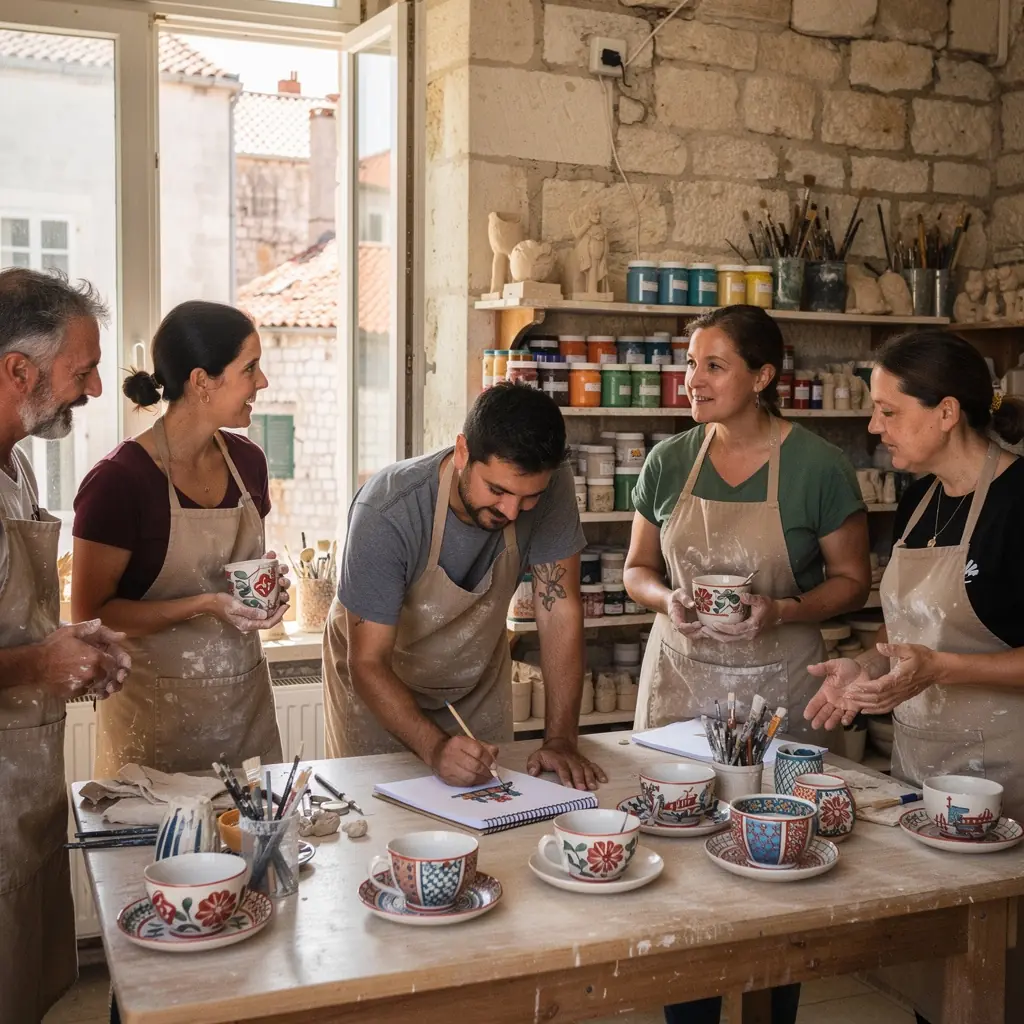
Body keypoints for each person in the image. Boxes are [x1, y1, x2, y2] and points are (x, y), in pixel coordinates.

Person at [623, 305, 871, 1024]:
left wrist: (783, 610)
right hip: (680, 684)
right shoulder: (670, 460)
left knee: (776, 862)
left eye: (713, 365)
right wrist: (668, 598)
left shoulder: (819, 466)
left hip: (781, 689)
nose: (691, 380)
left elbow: (852, 580)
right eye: (689, 363)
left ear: (762, 376)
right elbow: (637, 568)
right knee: (681, 863)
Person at [803, 330, 1024, 1024]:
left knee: (999, 977)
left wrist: (940, 668)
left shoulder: (1021, 502)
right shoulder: (917, 502)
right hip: (918, 773)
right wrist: (866, 666)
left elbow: (935, 655)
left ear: (948, 411)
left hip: (1009, 782)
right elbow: (900, 636)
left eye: (888, 411)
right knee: (938, 978)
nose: (873, 426)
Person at [323, 381, 606, 790]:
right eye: (497, 490)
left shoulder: (549, 485)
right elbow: (367, 662)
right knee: (379, 820)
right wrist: (435, 748)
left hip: (474, 682)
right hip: (379, 683)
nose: (512, 510)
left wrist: (560, 740)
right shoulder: (387, 510)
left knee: (488, 822)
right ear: (462, 452)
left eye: (528, 498)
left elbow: (559, 608)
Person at [72, 301, 286, 777]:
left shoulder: (249, 463)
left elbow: (239, 581)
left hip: (242, 714)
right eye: (250, 368)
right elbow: (89, 616)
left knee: (253, 846)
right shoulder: (119, 481)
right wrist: (204, 604)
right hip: (153, 730)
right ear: (201, 381)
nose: (263, 382)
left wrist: (268, 595)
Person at [0, 268, 129, 1023]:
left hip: (23, 794)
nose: (96, 388)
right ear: (19, 370)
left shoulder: (15, 467)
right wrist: (38, 663)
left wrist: (65, 642)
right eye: (82, 371)